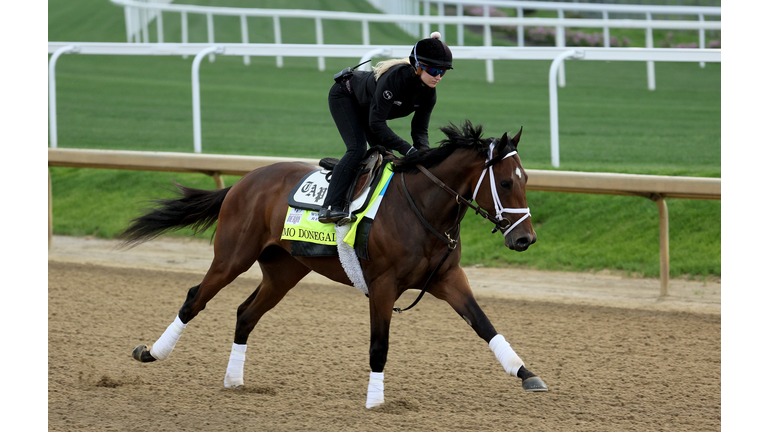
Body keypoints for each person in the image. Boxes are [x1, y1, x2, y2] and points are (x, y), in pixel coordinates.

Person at [318, 31, 453, 224]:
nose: (438, 77)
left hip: (370, 110)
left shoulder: (429, 94)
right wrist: (409, 150)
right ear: (418, 67)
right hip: (345, 97)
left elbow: (420, 131)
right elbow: (377, 124)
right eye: (433, 71)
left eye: (443, 71)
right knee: (357, 149)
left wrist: (425, 157)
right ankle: (330, 207)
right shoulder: (395, 79)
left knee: (386, 156)